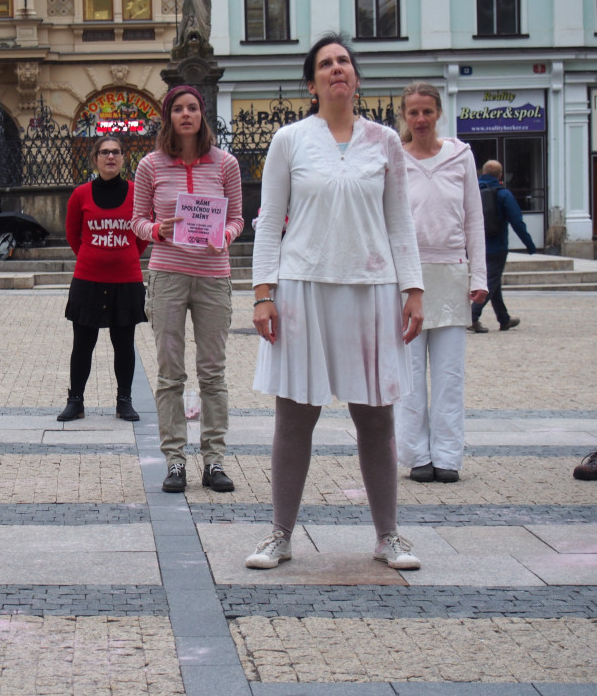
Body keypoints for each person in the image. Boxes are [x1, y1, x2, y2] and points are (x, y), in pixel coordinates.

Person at [246, 33, 425, 571]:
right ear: (312, 82)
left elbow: (399, 222)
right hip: (302, 287)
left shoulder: (386, 142)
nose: (337, 69)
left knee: (377, 419)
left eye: (344, 61)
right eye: (326, 63)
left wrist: (413, 289)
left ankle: (388, 536)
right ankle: (280, 534)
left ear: (356, 77)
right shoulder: (290, 140)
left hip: (371, 289)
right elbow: (267, 222)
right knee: (294, 418)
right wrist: (262, 294)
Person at [131, 85, 244, 494]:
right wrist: (155, 229)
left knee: (213, 372)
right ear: (168, 117)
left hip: (214, 274)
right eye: (178, 109)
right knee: (170, 373)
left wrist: (227, 235)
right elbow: (136, 220)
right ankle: (175, 460)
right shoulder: (151, 165)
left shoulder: (225, 164)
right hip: (168, 274)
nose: (186, 114)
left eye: (192, 108)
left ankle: (214, 460)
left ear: (202, 114)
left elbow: (238, 219)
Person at [394, 82, 487, 485]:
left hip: (451, 274)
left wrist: (479, 273)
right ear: (404, 116)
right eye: (413, 112)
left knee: (449, 374)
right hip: (408, 279)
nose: (420, 120)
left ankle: (448, 455)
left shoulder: (461, 156)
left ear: (438, 114)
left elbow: (473, 218)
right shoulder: (394, 158)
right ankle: (417, 454)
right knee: (410, 376)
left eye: (427, 112)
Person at [58, 136, 149, 423]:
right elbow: (73, 235)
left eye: (116, 152)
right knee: (83, 342)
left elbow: (142, 236)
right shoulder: (80, 195)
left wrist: (123, 255)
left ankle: (124, 400)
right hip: (88, 278)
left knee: (124, 342)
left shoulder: (137, 193)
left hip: (126, 279)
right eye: (104, 152)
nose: (110, 157)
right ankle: (76, 401)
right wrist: (93, 255)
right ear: (95, 158)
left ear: (124, 159)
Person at [469, 159, 536, 333]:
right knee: (490, 282)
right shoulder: (503, 194)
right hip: (497, 247)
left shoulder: (471, 191)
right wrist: (529, 244)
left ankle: (504, 319)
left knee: (494, 282)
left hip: (475, 245)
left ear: (482, 173)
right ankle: (471, 316)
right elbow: (517, 221)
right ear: (500, 175)